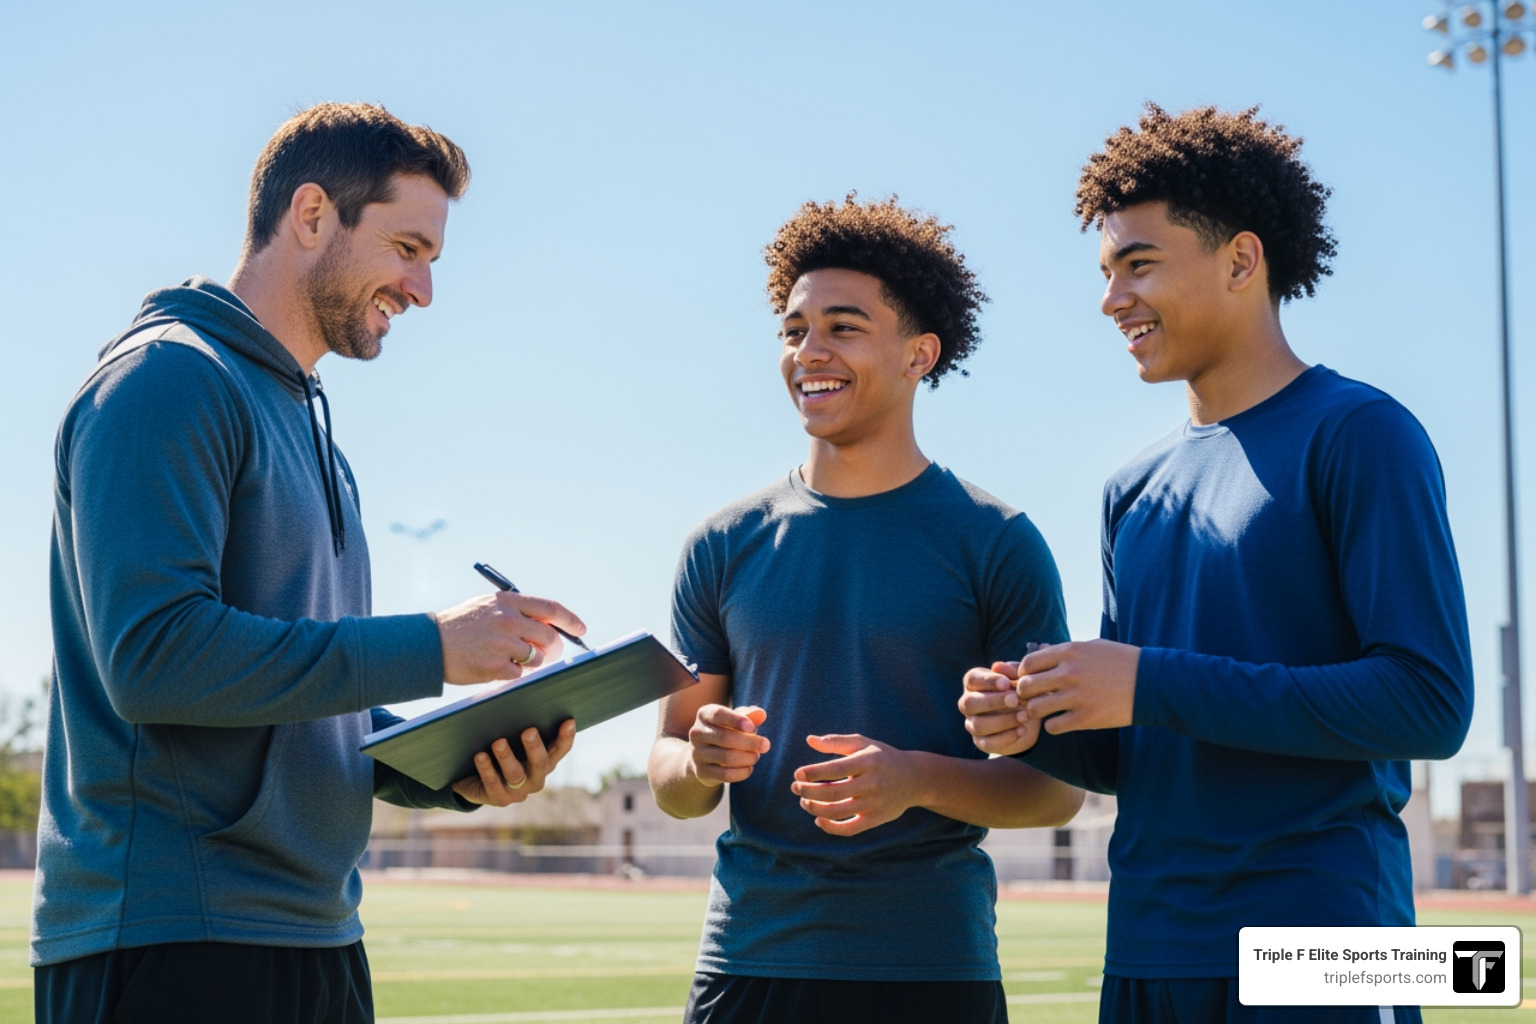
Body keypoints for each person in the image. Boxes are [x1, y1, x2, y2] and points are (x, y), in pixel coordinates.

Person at [34, 102, 587, 1024]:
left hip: (315, 935)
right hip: (175, 939)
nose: (423, 290)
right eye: (408, 248)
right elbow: (157, 660)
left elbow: (293, 693)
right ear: (312, 214)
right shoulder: (165, 381)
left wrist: (445, 764)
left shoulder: (311, 427)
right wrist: (430, 645)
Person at [959, 104, 1474, 1023]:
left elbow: (1428, 703)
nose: (1112, 298)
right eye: (1107, 272)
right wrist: (1039, 721)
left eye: (1139, 264)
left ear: (1242, 261)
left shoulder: (1362, 435)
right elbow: (1140, 745)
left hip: (1324, 941)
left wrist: (1151, 680)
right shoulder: (1131, 488)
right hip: (1150, 947)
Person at [649, 195, 1083, 1024]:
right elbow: (670, 777)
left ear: (920, 353)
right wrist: (700, 761)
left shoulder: (996, 542)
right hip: (750, 964)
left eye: (843, 327)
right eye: (794, 329)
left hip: (930, 968)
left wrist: (915, 779)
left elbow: (1056, 791)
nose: (809, 351)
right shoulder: (720, 544)